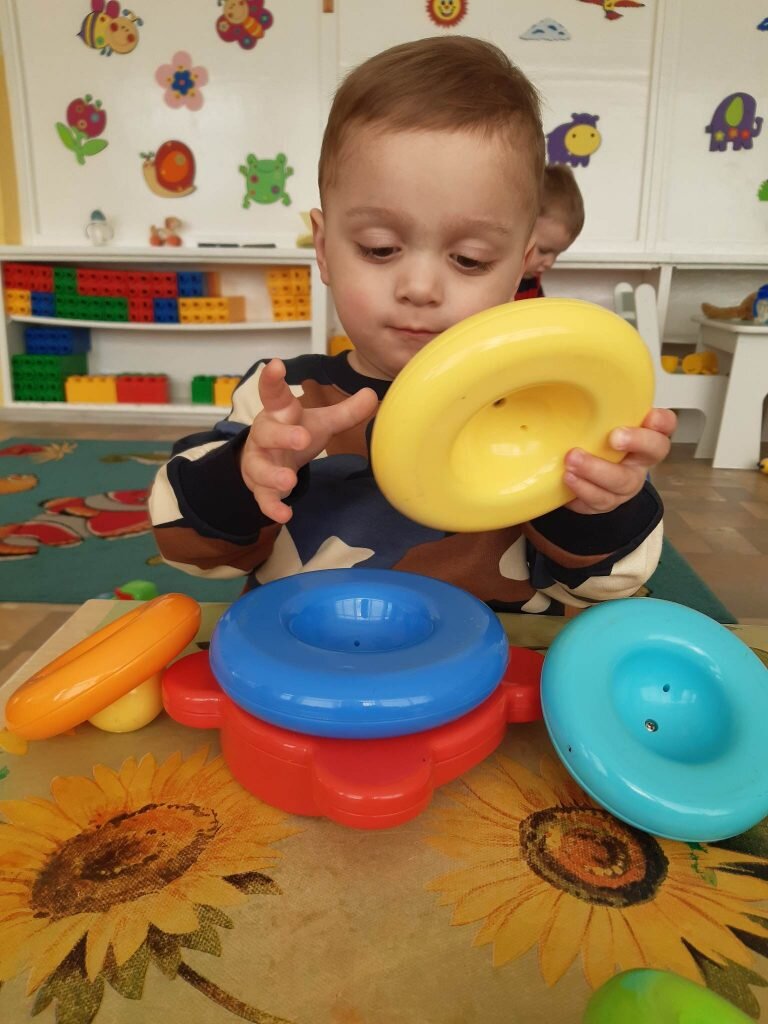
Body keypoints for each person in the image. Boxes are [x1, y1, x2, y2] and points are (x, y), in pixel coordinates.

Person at [150, 36, 675, 616]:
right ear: (323, 249)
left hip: (489, 661)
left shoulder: (550, 407)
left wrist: (596, 506)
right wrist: (247, 473)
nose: (420, 288)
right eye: (380, 248)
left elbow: (608, 585)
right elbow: (186, 549)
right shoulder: (286, 400)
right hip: (309, 659)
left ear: (522, 267)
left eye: (469, 259)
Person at [515, 163, 584, 300]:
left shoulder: (531, 278)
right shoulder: (494, 281)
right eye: (543, 251)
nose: (550, 263)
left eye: (557, 254)